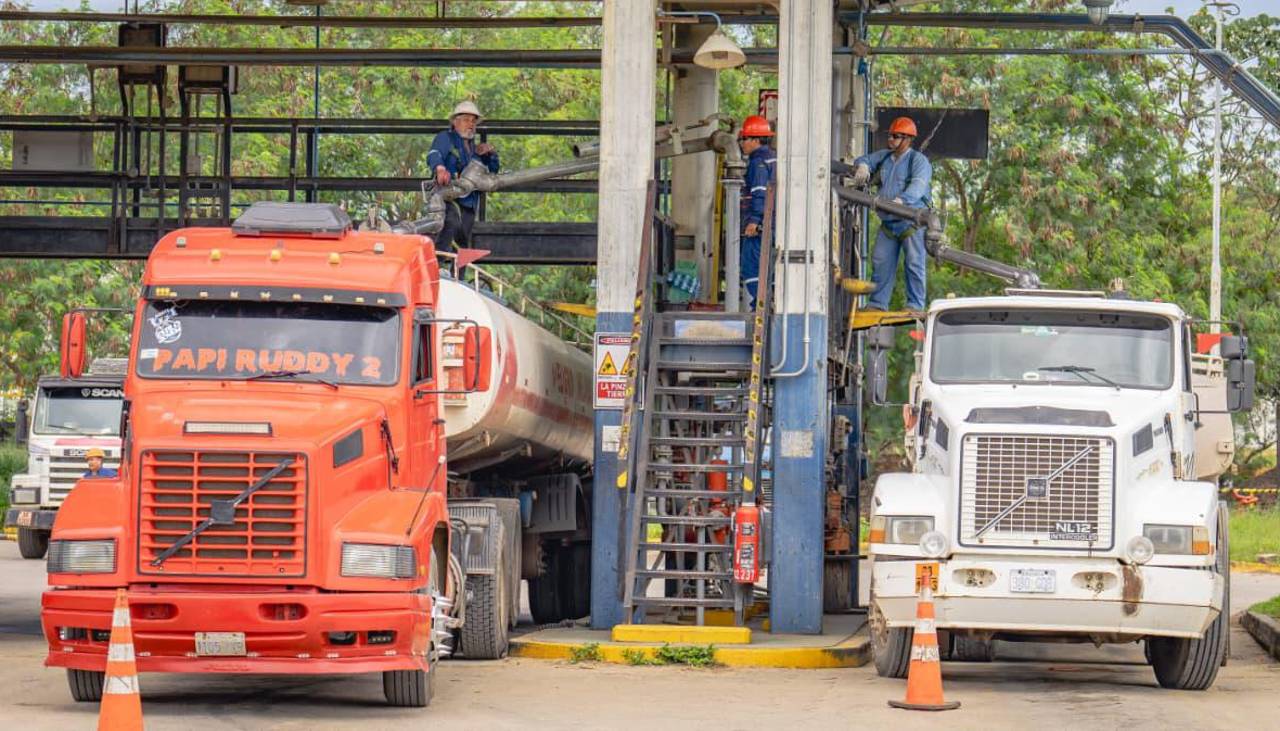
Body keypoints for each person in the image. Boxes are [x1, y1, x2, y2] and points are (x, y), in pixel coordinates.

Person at [852, 116, 933, 312]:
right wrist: (863, 166)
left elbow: (919, 185)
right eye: (890, 136)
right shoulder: (886, 157)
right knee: (880, 262)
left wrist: (902, 201)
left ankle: (915, 305)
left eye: (896, 136)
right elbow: (865, 159)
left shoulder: (918, 161)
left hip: (911, 223)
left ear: (907, 139)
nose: (891, 140)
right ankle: (878, 304)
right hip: (888, 222)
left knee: (914, 264)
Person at [427, 100, 500, 250]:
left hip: (469, 204)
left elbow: (493, 170)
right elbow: (434, 153)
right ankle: (438, 266)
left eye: (473, 121)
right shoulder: (445, 138)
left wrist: (490, 154)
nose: (471, 124)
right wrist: (440, 169)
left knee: (462, 243)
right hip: (448, 198)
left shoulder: (475, 149)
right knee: (449, 226)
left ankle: (458, 273)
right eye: (466, 120)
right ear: (455, 121)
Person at [738, 115, 776, 307]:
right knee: (769, 264)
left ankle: (759, 305)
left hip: (760, 225)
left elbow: (760, 192)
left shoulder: (758, 162)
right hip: (771, 224)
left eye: (744, 138)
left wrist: (753, 221)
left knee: (751, 264)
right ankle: (768, 300)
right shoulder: (773, 158)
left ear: (756, 140)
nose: (742, 143)